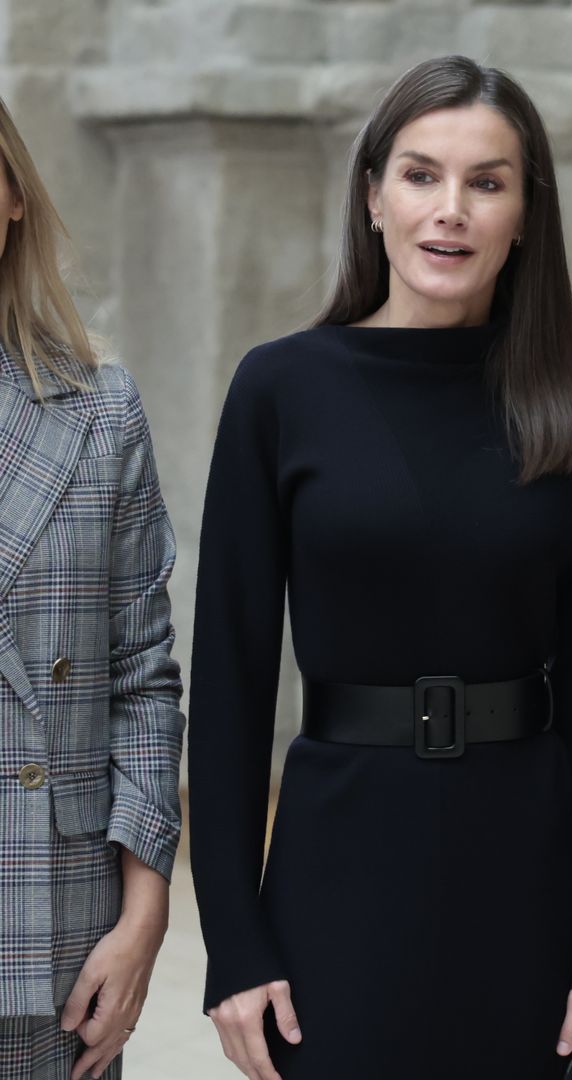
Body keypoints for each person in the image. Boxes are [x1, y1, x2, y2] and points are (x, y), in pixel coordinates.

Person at [187, 55, 572, 1080]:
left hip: (526, 877)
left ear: (526, 213)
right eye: (422, 175)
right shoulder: (281, 389)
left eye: (488, 182)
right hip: (338, 873)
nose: (451, 211)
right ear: (373, 197)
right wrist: (234, 944)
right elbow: (229, 687)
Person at [0, 96, 184, 1080]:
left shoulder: (98, 412)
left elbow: (142, 681)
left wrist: (143, 912)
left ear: (14, 195)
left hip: (55, 936)